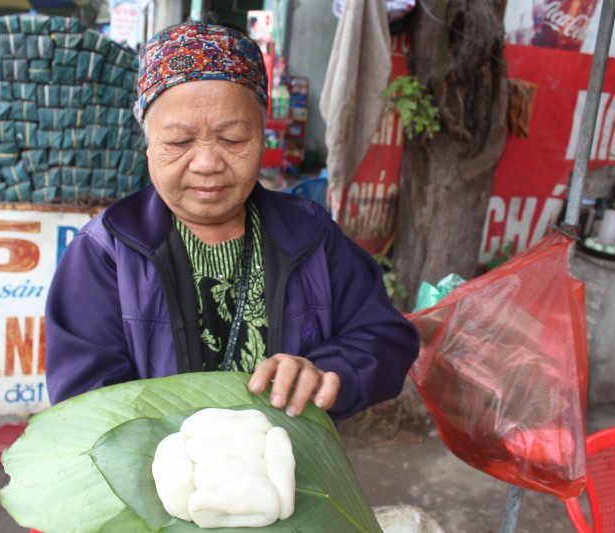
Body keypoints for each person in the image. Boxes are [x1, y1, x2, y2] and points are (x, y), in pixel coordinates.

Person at [45, 17, 420, 420]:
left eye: (233, 139)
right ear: (148, 144)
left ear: (262, 134)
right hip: (154, 481)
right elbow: (83, 405)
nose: (207, 163)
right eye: (179, 141)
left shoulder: (311, 235)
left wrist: (329, 371)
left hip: (286, 473)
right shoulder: (106, 253)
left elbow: (385, 337)